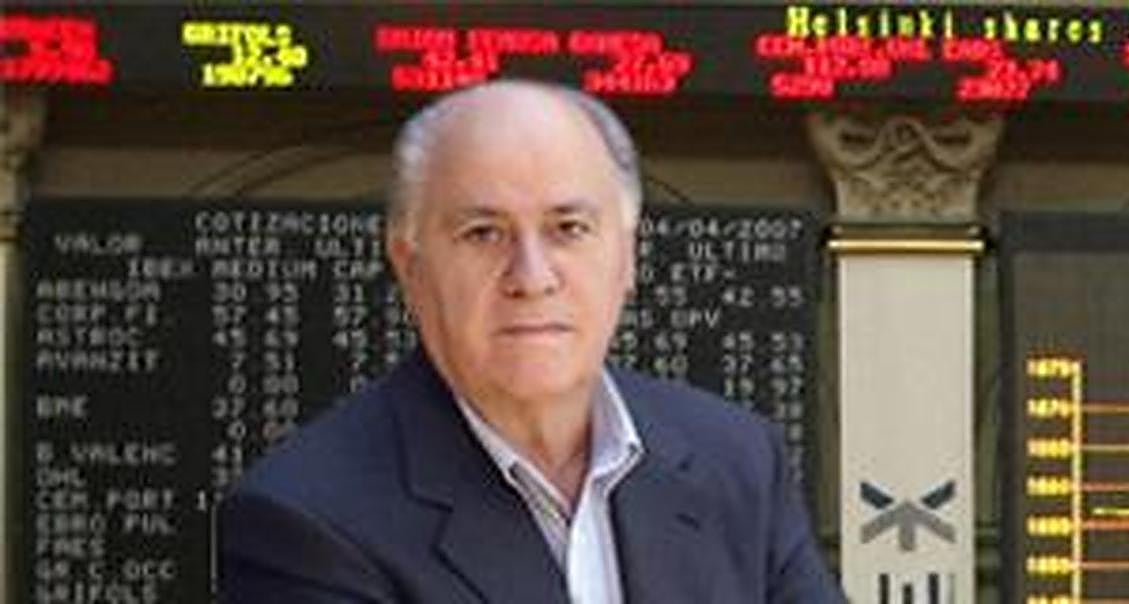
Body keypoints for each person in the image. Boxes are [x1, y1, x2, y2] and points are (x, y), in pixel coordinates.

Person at [218, 80, 844, 603]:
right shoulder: (304, 520)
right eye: (483, 233)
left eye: (569, 228)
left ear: (627, 257)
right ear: (410, 265)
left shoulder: (737, 461)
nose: (532, 277)